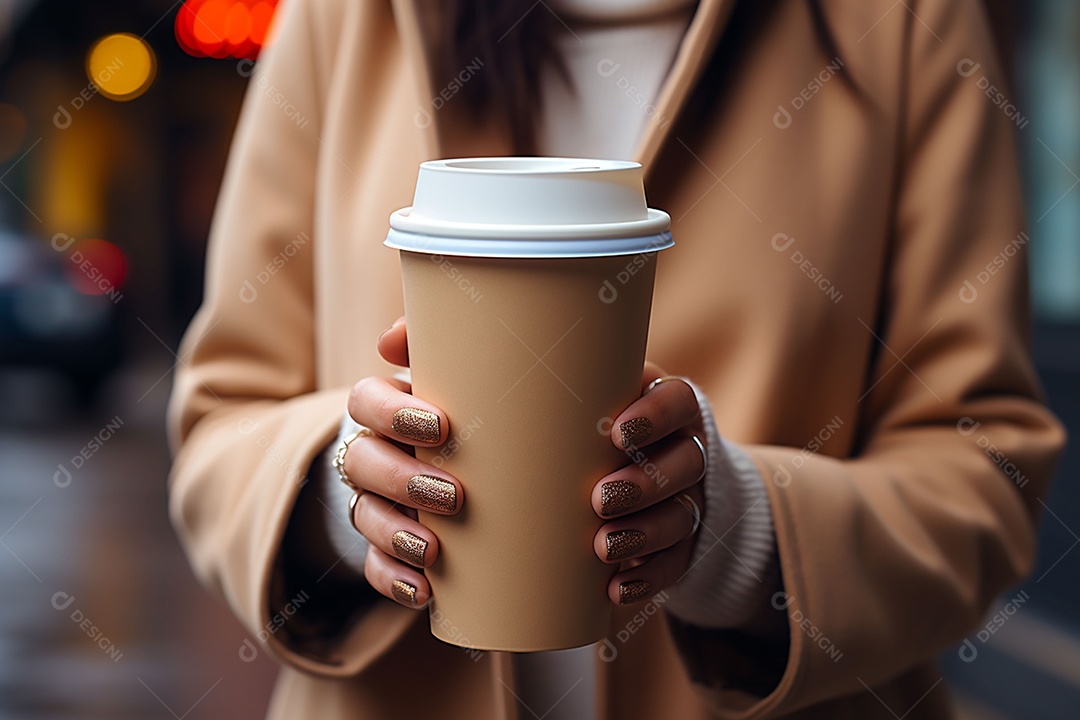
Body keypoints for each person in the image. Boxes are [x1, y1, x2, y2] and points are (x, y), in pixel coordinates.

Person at [167, 0, 1066, 717]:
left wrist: (738, 532)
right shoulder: (345, 16)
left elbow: (983, 470)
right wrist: (347, 487)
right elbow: (220, 426)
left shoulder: (906, 20)